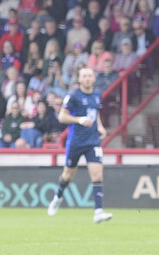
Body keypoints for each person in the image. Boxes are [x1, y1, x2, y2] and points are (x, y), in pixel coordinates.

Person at [47, 67, 113, 224]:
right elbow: (62, 117)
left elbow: (94, 113)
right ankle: (58, 196)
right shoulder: (73, 95)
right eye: (84, 76)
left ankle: (98, 211)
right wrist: (78, 120)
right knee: (68, 175)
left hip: (93, 141)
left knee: (97, 175)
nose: (88, 78)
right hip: (76, 142)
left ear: (94, 78)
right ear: (79, 79)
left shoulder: (97, 95)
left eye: (90, 75)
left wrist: (100, 126)